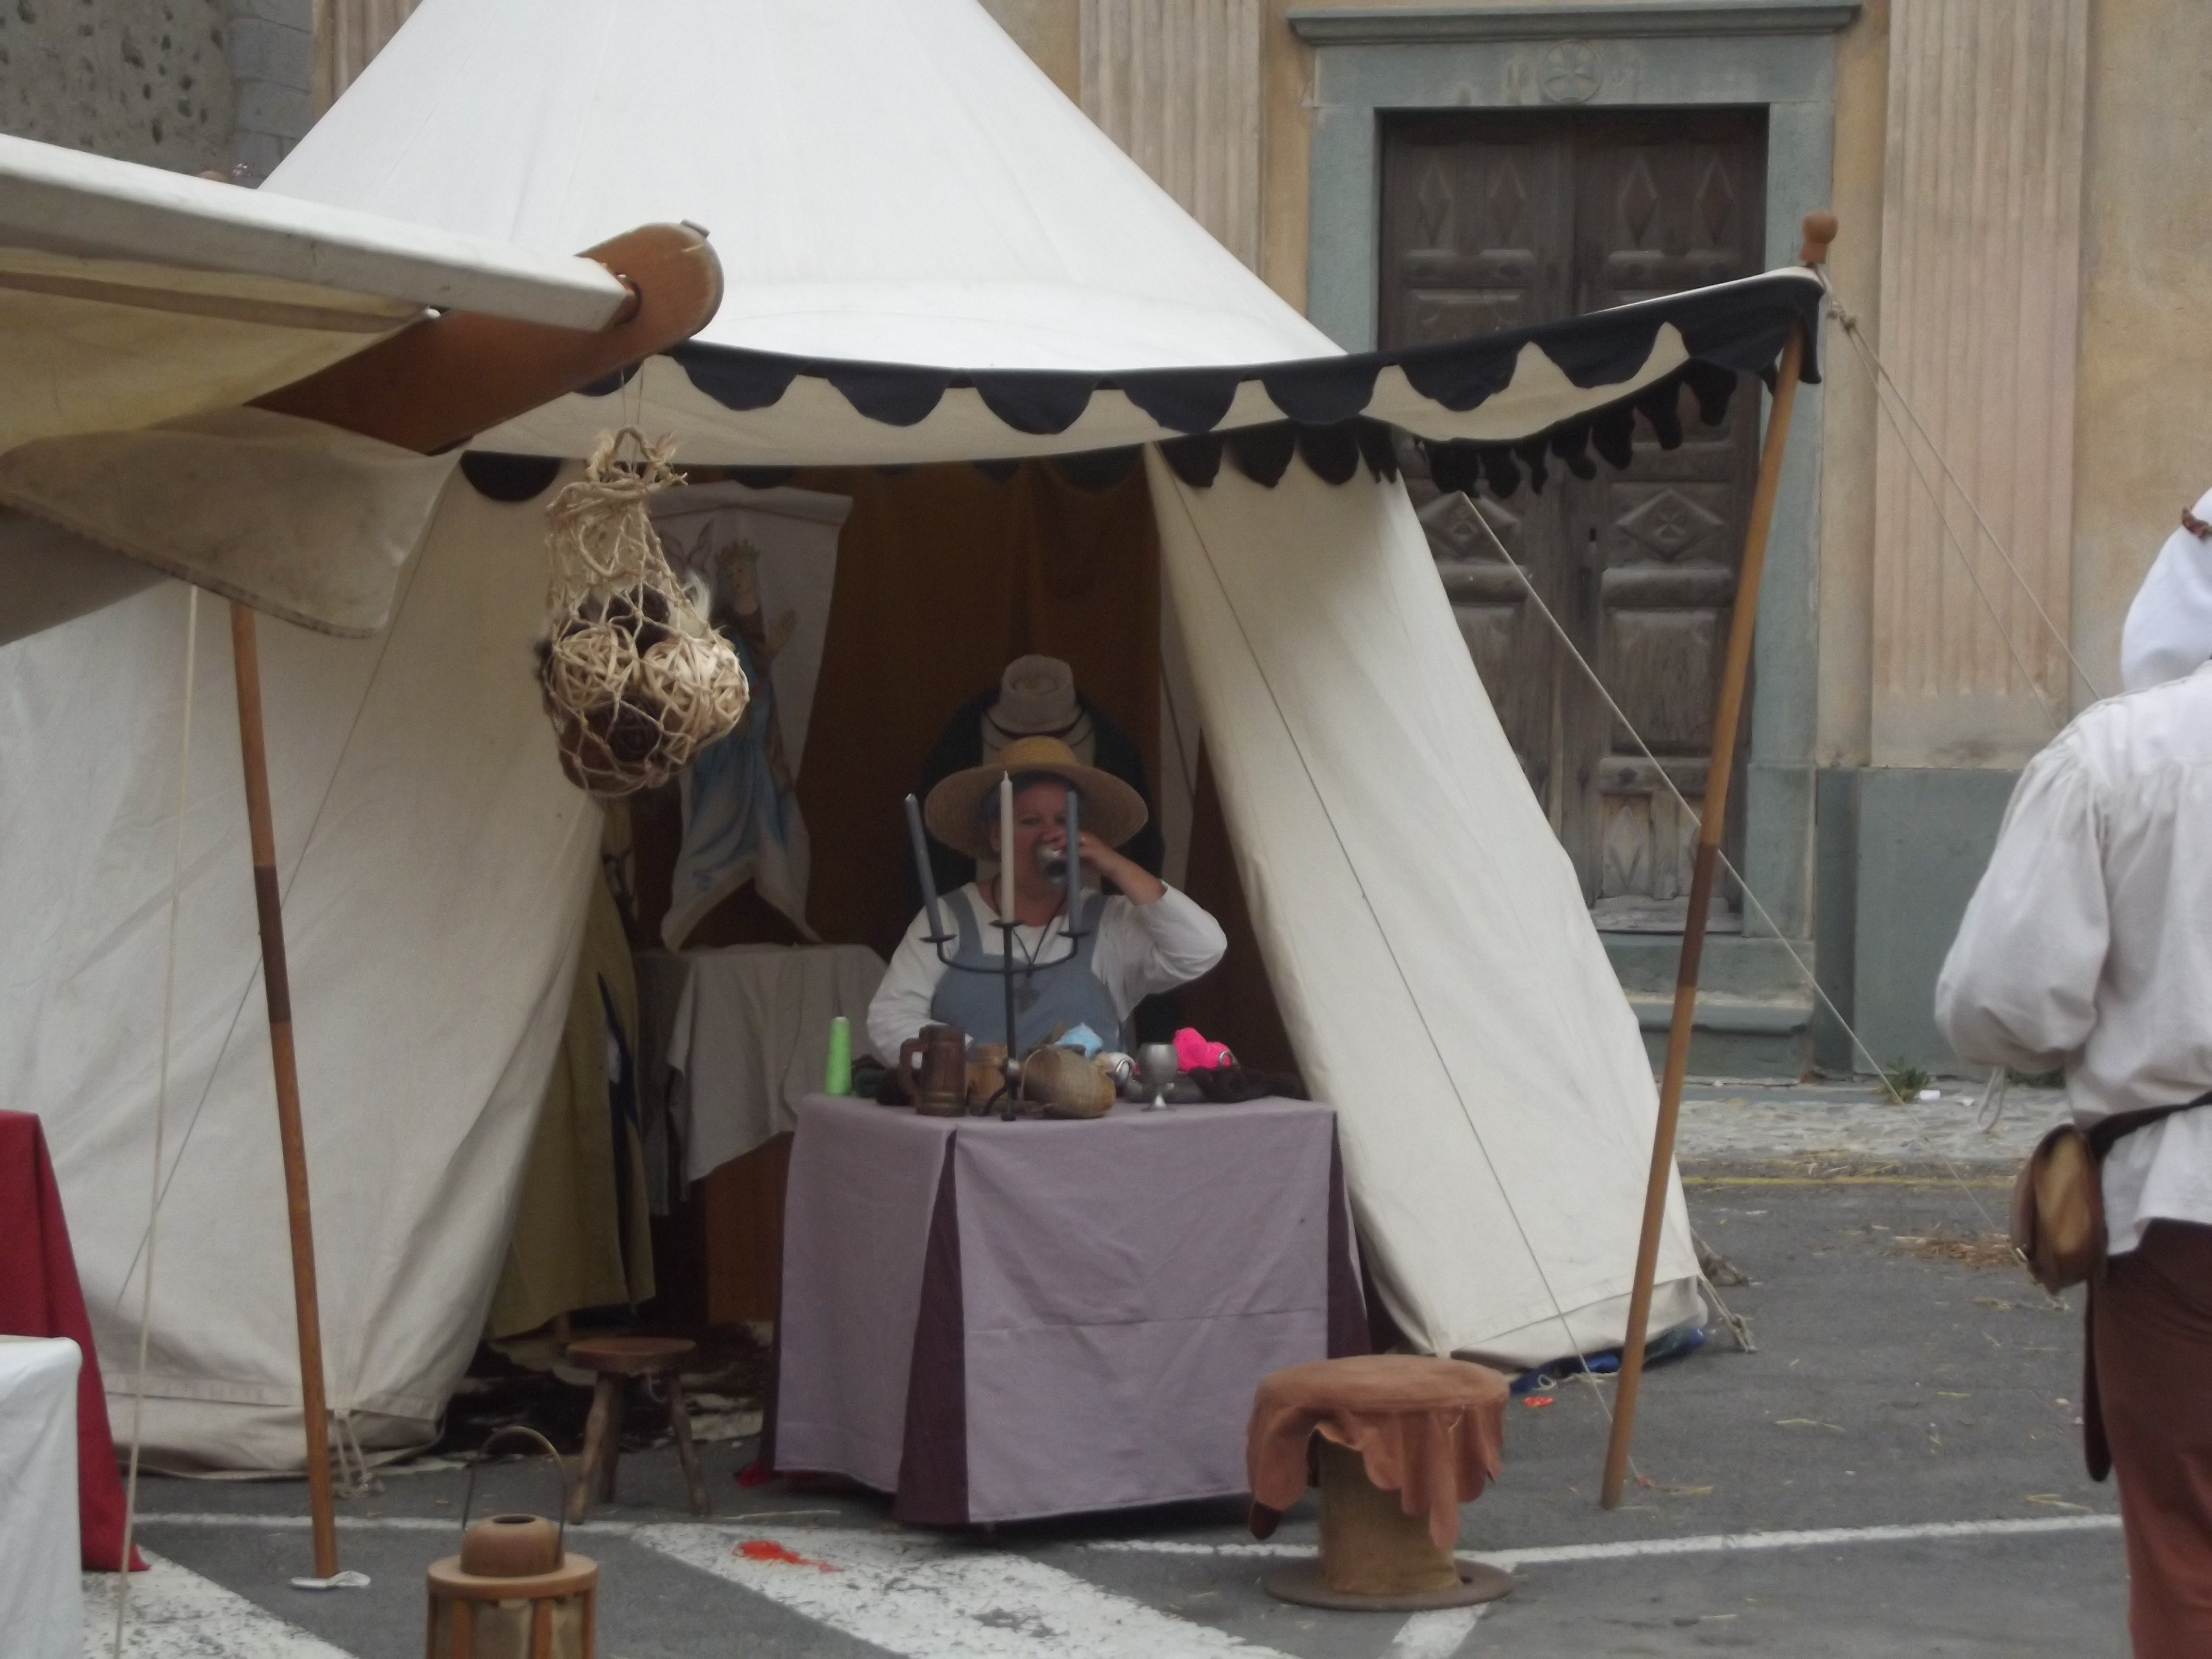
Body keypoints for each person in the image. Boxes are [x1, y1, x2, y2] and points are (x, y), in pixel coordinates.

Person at [1935, 590, 2212, 1655]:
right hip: (2176, 1193)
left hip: (2182, 1218)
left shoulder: (2118, 755)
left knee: (2188, 1552)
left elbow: (2003, 1002)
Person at [867, 735, 1225, 1063]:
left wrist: (1115, 865)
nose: (1049, 836)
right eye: (1030, 821)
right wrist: (974, 1061)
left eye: (1063, 820)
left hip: (1085, 1110)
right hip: (974, 1105)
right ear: (996, 834)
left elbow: (1203, 949)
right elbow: (890, 1018)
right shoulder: (948, 917)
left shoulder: (1108, 922)